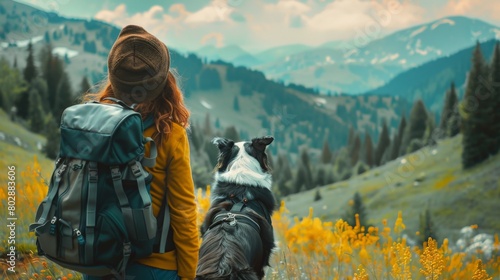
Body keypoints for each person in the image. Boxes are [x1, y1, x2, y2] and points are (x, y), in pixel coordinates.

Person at [83, 25, 199, 280]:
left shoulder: (90, 123)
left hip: (98, 259)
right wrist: (191, 275)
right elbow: (184, 213)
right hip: (154, 266)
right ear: (163, 80)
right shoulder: (170, 134)